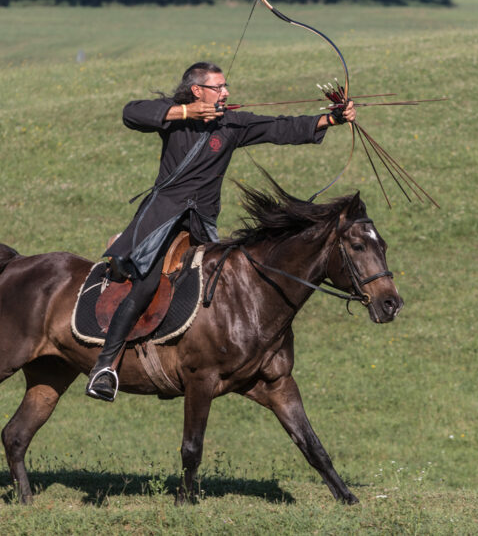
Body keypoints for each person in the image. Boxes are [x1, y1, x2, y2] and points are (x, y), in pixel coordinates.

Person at [85, 61, 356, 402]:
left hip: (201, 226)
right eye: (219, 87)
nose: (226, 92)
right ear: (198, 91)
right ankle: (105, 367)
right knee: (148, 284)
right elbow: (132, 113)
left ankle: (189, 361)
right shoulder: (174, 120)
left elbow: (280, 128)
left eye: (225, 87)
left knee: (223, 289)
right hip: (162, 222)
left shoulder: (232, 124)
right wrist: (185, 112)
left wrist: (331, 118)